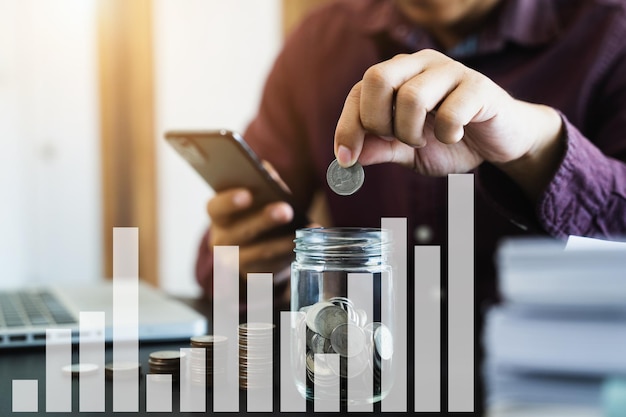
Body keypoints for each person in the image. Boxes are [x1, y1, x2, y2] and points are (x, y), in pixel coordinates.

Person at [195, 0, 626, 412]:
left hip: (550, 394)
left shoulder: (612, 33)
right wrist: (245, 257)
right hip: (363, 383)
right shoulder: (320, 40)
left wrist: (537, 145)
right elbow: (221, 263)